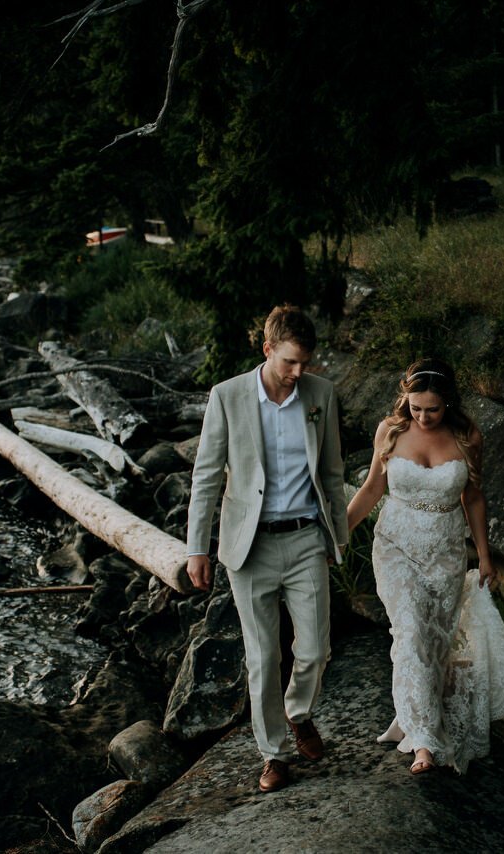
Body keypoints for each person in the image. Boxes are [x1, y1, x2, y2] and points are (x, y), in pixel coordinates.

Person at [185, 305, 349, 793]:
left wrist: (337, 537)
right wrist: (198, 548)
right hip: (249, 546)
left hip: (304, 540)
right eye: (289, 363)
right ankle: (274, 754)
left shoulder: (321, 394)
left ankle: (299, 713)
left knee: (316, 649)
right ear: (267, 350)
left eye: (306, 363)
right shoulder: (228, 396)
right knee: (261, 657)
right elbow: (207, 476)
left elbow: (333, 472)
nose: (299, 374)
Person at [346, 357, 504, 774]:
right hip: (395, 546)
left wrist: (484, 555)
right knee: (412, 630)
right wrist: (340, 530)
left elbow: (473, 497)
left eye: (431, 408)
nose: (422, 416)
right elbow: (371, 489)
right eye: (415, 407)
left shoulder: (468, 436)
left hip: (446, 553)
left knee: (435, 643)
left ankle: (415, 717)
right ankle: (424, 743)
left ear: (448, 402)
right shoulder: (391, 431)